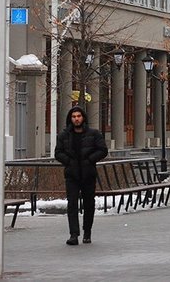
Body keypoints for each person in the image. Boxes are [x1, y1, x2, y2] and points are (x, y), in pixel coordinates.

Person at [54, 105, 108, 245]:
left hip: (88, 174)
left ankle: (87, 232)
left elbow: (103, 150)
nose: (76, 119)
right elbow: (58, 153)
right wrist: (69, 161)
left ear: (83, 117)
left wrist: (90, 160)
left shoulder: (94, 134)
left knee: (89, 204)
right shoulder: (64, 135)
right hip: (72, 175)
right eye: (73, 117)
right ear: (70, 119)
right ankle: (74, 234)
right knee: (72, 204)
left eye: (78, 116)